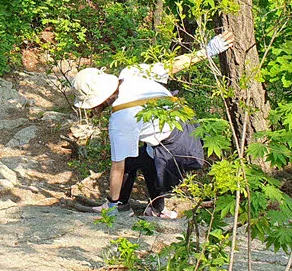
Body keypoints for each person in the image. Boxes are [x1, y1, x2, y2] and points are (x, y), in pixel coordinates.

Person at [71, 32, 234, 220]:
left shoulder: (120, 119)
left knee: (143, 159)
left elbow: (118, 167)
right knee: (143, 156)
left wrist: (111, 206)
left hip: (176, 147)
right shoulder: (130, 72)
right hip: (187, 126)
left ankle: (123, 206)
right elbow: (173, 66)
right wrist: (209, 50)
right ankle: (152, 208)